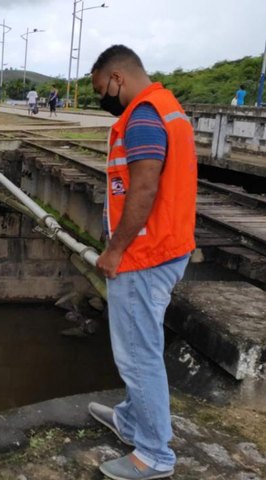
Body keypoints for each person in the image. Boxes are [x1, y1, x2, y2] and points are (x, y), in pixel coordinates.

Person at [88, 45, 197, 480]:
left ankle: (153, 454)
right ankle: (131, 420)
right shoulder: (167, 107)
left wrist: (115, 250)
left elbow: (145, 188)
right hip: (167, 246)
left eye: (102, 90)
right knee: (141, 345)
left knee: (138, 354)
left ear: (117, 78)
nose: (103, 99)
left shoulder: (144, 117)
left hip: (144, 255)